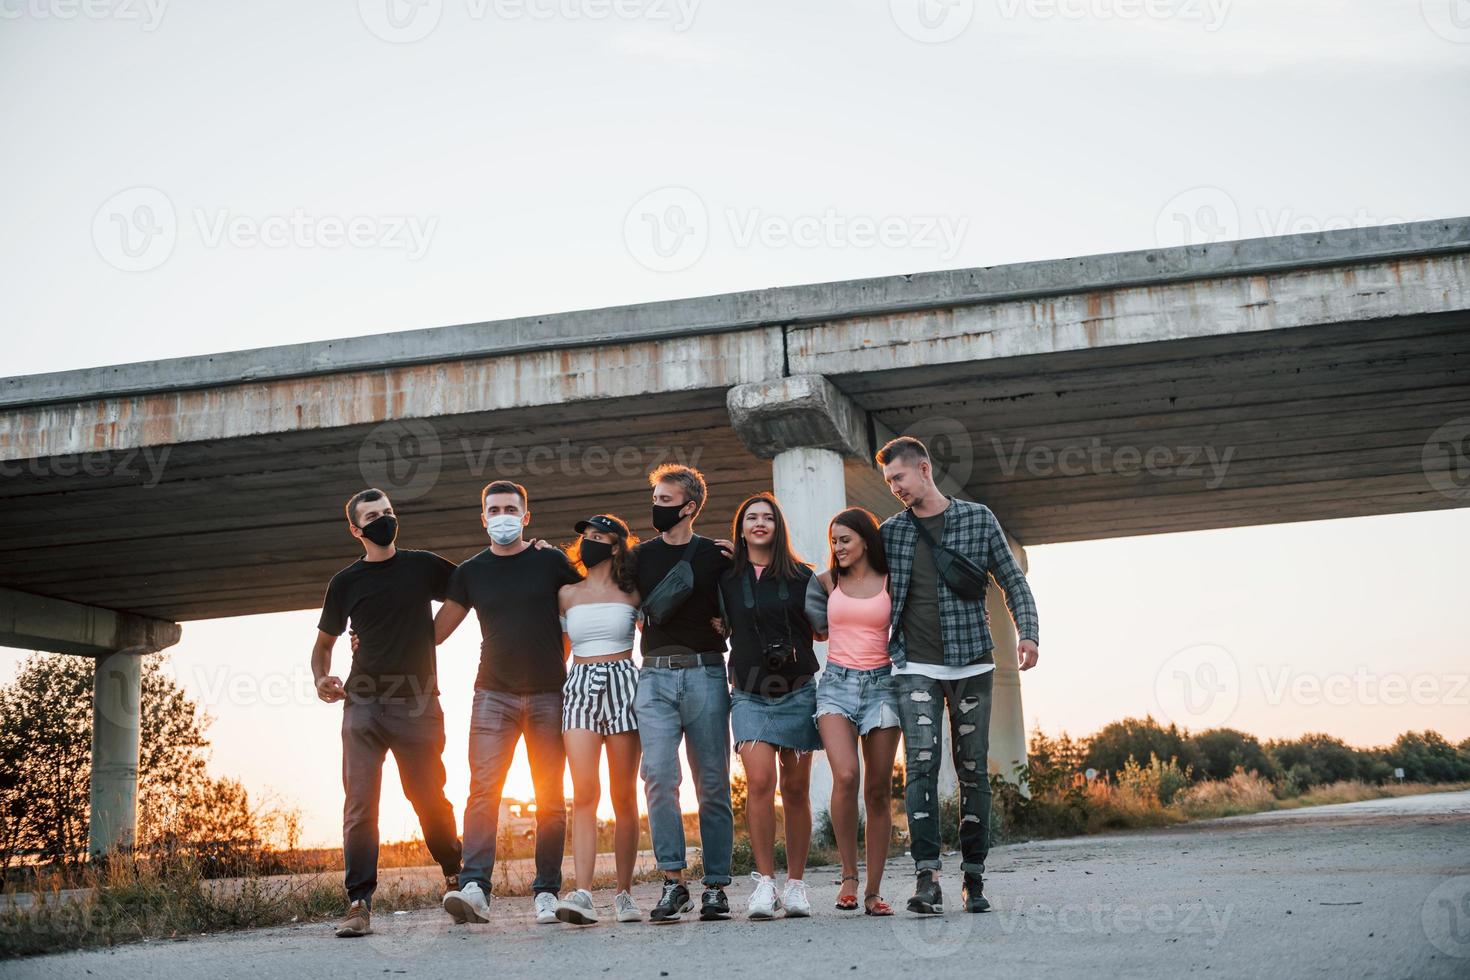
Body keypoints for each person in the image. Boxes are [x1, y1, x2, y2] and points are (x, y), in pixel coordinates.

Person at [876, 436, 1040, 916]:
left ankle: (974, 876)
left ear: (923, 468)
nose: (895, 489)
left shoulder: (978, 518)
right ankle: (926, 876)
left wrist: (1027, 632)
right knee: (921, 766)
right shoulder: (891, 531)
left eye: (899, 478)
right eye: (888, 483)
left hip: (973, 662)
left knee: (972, 768)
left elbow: (1012, 579)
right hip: (914, 666)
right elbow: (847, 569)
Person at [311, 488, 463, 939]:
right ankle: (359, 902)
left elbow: (468, 589)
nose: (384, 520)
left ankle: (456, 873)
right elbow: (323, 646)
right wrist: (322, 677)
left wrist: (431, 635)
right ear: (356, 529)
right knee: (360, 804)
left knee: (427, 796)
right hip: (362, 704)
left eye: (389, 512)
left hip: (417, 702)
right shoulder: (345, 582)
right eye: (373, 516)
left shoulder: (422, 565)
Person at [438, 481, 582, 926]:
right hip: (492, 695)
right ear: (484, 518)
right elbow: (434, 633)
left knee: (551, 797)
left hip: (549, 694)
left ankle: (546, 891)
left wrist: (557, 662)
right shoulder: (471, 572)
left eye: (510, 508)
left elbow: (584, 605)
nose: (502, 515)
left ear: (525, 516)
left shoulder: (550, 561)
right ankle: (475, 887)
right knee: (483, 792)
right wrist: (375, 638)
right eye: (494, 509)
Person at [632, 463, 737, 923]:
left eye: (666, 501)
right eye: (655, 499)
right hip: (654, 677)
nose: (657, 507)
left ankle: (716, 887)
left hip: (706, 675)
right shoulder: (638, 557)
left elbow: (748, 599)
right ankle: (673, 883)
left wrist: (728, 619)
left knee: (712, 784)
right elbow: (590, 575)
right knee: (658, 778)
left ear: (690, 507)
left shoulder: (718, 555)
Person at [717, 492, 821, 920]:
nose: (760, 523)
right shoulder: (724, 577)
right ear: (741, 528)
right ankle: (764, 884)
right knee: (759, 782)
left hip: (797, 691)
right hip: (748, 692)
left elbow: (821, 628)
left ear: (778, 528)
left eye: (768, 518)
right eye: (752, 518)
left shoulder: (803, 576)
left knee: (795, 790)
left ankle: (795, 885)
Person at [551, 514, 644, 926]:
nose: (588, 542)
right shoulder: (566, 594)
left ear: (615, 546)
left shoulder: (633, 593)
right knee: (585, 792)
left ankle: (624, 893)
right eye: (585, 536)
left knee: (623, 796)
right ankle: (583, 892)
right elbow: (561, 649)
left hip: (624, 681)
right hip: (581, 685)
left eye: (597, 537)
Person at [811, 507, 901, 917]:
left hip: (883, 686)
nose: (838, 547)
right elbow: (797, 616)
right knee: (846, 774)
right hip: (836, 686)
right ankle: (848, 874)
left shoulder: (891, 582)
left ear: (866, 539)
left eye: (844, 539)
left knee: (878, 790)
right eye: (834, 541)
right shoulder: (827, 582)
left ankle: (873, 890)